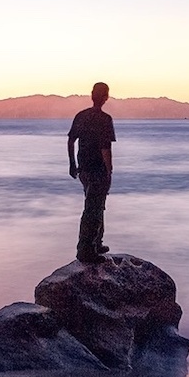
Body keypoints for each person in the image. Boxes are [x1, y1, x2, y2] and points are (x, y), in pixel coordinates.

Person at [66, 82, 116, 264]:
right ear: (105, 97)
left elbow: (71, 140)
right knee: (93, 209)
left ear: (92, 95)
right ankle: (85, 250)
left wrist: (72, 164)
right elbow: (105, 149)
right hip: (97, 169)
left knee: (96, 204)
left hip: (84, 169)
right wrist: (109, 172)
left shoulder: (81, 116)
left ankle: (97, 243)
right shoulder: (105, 119)